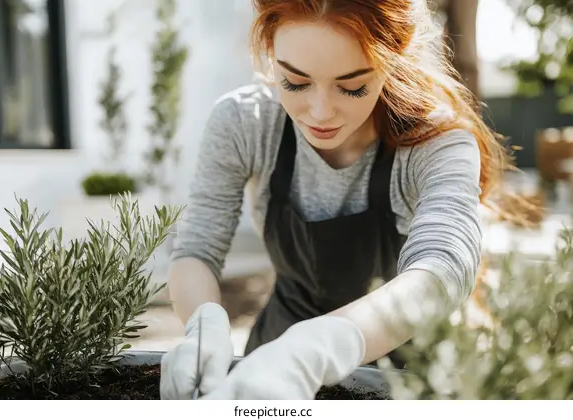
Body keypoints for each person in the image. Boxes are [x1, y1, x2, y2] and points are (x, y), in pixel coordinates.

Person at [160, 0, 508, 400]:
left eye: (352, 86)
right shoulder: (246, 124)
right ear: (270, 49)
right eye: (295, 82)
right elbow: (197, 248)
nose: (321, 112)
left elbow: (444, 267)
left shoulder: (437, 143)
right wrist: (203, 326)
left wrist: (317, 349)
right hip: (273, 367)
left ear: (392, 59)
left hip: (411, 377)